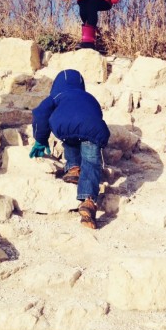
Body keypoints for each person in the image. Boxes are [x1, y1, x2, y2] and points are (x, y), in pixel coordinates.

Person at [29, 69, 110, 229]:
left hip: (64, 126)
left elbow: (40, 114)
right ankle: (88, 201)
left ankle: (73, 168)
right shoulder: (89, 97)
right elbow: (96, 115)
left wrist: (40, 139)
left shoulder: (57, 96)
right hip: (94, 129)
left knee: (70, 138)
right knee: (91, 161)